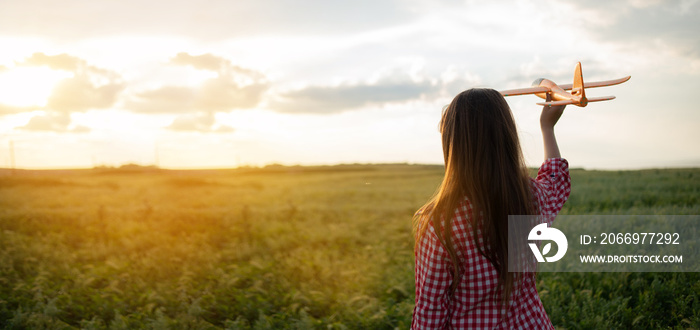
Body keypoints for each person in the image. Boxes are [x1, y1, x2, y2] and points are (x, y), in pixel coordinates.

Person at [412, 89, 571, 329]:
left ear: (454, 144)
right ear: (507, 137)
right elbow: (556, 180)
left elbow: (430, 313)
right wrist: (547, 128)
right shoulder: (530, 198)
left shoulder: (438, 224)